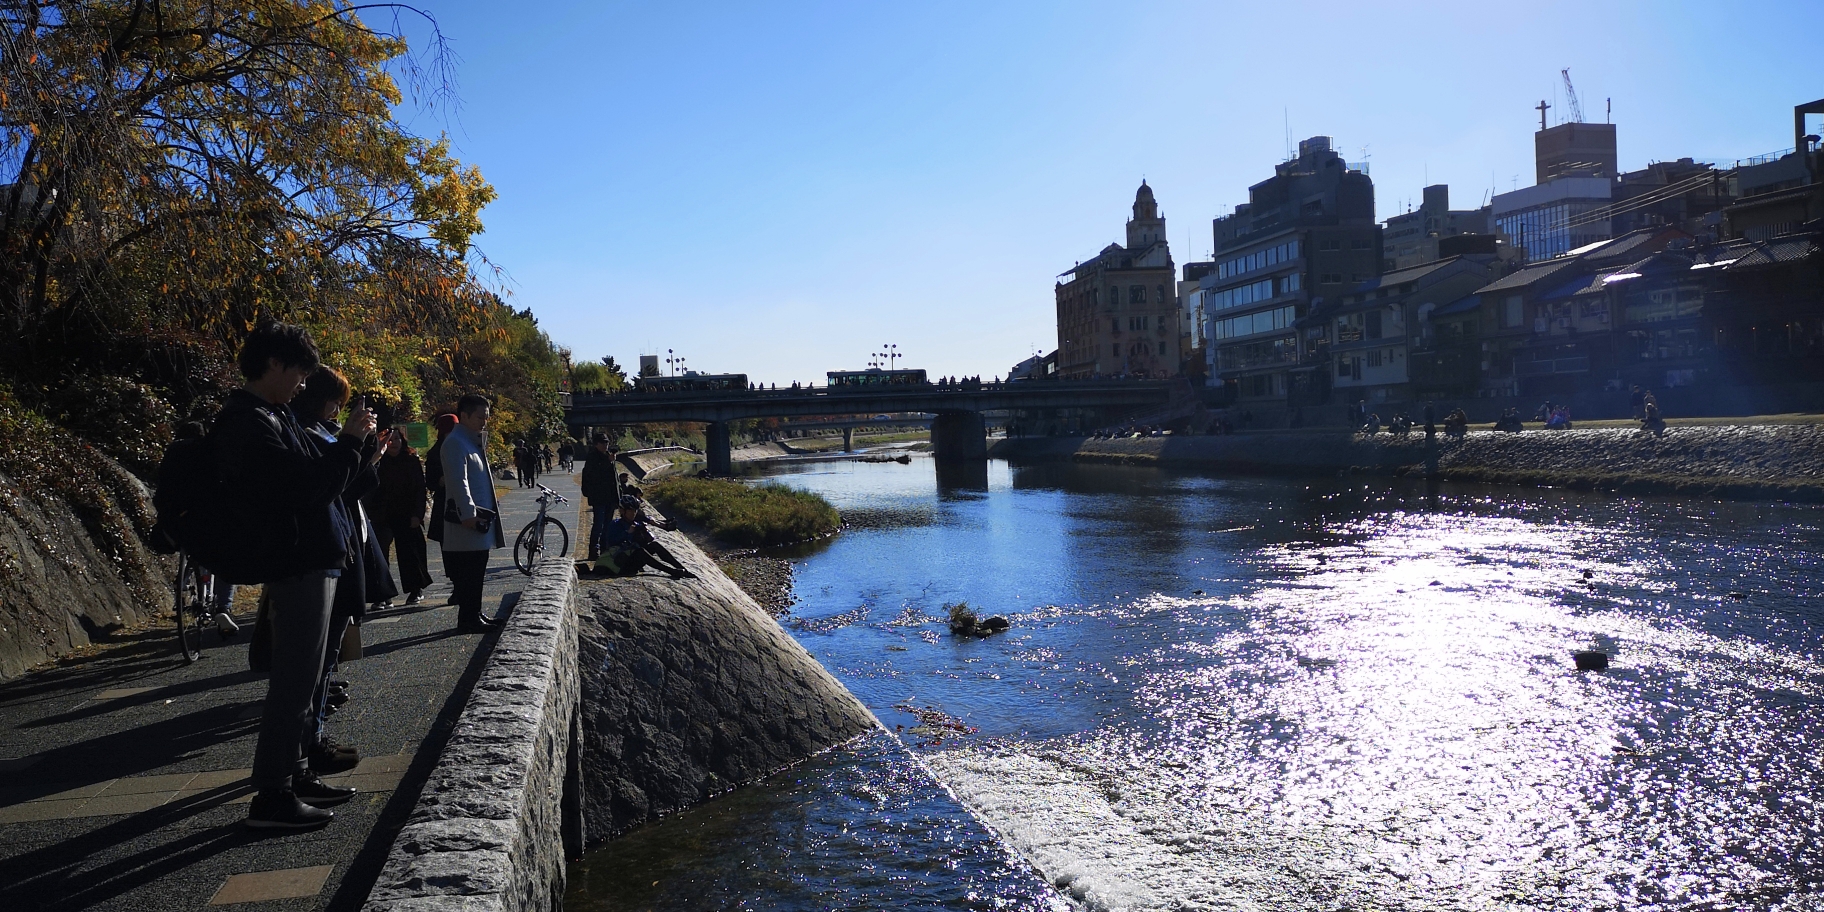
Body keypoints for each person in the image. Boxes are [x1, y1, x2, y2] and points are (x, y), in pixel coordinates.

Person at [213, 320, 367, 829]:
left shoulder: (272, 416)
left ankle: (295, 774)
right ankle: (272, 795)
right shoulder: (249, 421)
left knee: (306, 680)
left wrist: (348, 449)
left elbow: (314, 484)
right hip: (297, 565)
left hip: (311, 563)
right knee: (294, 681)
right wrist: (348, 444)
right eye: (299, 373)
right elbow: (305, 491)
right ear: (274, 364)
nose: (304, 385)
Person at [441, 394, 504, 633]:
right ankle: (468, 617)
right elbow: (458, 482)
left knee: (477, 571)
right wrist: (467, 514)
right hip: (469, 521)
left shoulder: (469, 441)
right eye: (479, 417)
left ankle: (474, 613)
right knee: (470, 572)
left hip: (479, 519)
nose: (484, 422)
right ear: (464, 415)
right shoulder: (456, 442)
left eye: (486, 417)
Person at [376, 431, 432, 605]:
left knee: (409, 553)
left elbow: (419, 490)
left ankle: (415, 589)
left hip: (407, 513)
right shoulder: (378, 462)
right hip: (383, 514)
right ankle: (382, 594)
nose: (394, 443)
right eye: (390, 439)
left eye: (397, 439)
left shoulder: (411, 461)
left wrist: (417, 514)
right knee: (380, 555)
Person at [593, 495, 694, 579]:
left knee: (654, 545)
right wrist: (628, 533)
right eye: (630, 510)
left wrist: (643, 533)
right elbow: (611, 544)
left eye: (635, 510)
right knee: (640, 552)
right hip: (619, 564)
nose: (633, 513)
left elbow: (646, 542)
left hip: (631, 559)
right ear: (622, 511)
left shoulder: (636, 523)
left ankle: (683, 570)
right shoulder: (615, 524)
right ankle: (672, 571)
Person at [580, 433, 621, 563]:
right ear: (596, 444)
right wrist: (608, 462)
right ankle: (594, 550)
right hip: (598, 496)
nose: (605, 445)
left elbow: (614, 479)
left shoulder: (608, 456)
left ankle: (605, 549)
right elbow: (593, 475)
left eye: (607, 442)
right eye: (602, 443)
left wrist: (618, 497)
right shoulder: (592, 457)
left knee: (608, 525)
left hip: (610, 497)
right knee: (598, 524)